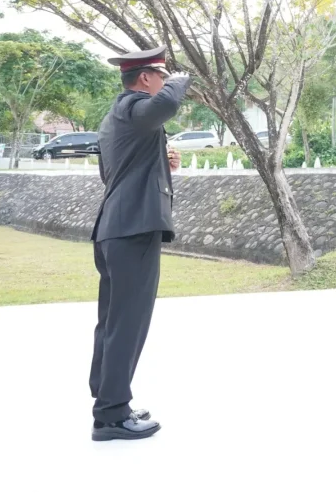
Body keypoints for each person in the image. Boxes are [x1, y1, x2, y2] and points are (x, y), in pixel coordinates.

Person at [89, 47, 191, 442]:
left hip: (116, 229)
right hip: (132, 231)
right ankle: (111, 416)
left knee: (113, 323)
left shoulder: (116, 117)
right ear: (146, 78)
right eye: (162, 76)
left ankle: (110, 400)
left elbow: (117, 174)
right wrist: (183, 78)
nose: (166, 83)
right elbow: (162, 106)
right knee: (128, 325)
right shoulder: (136, 107)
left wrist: (162, 165)